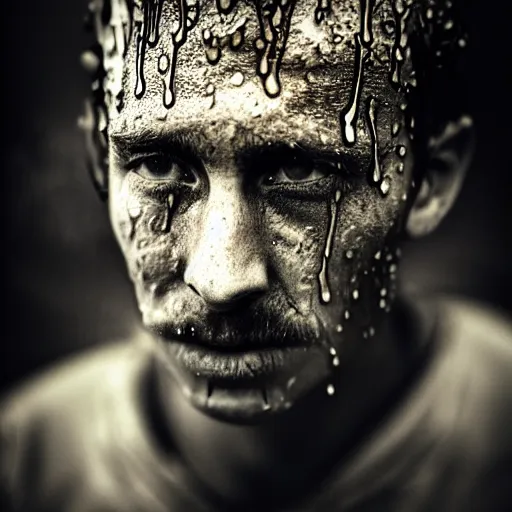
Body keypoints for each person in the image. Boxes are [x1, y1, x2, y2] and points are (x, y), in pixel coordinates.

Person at [1, 0, 512, 510]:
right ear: (99, 159)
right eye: (158, 165)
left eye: (298, 173)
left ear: (428, 179)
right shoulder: (21, 469)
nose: (220, 280)